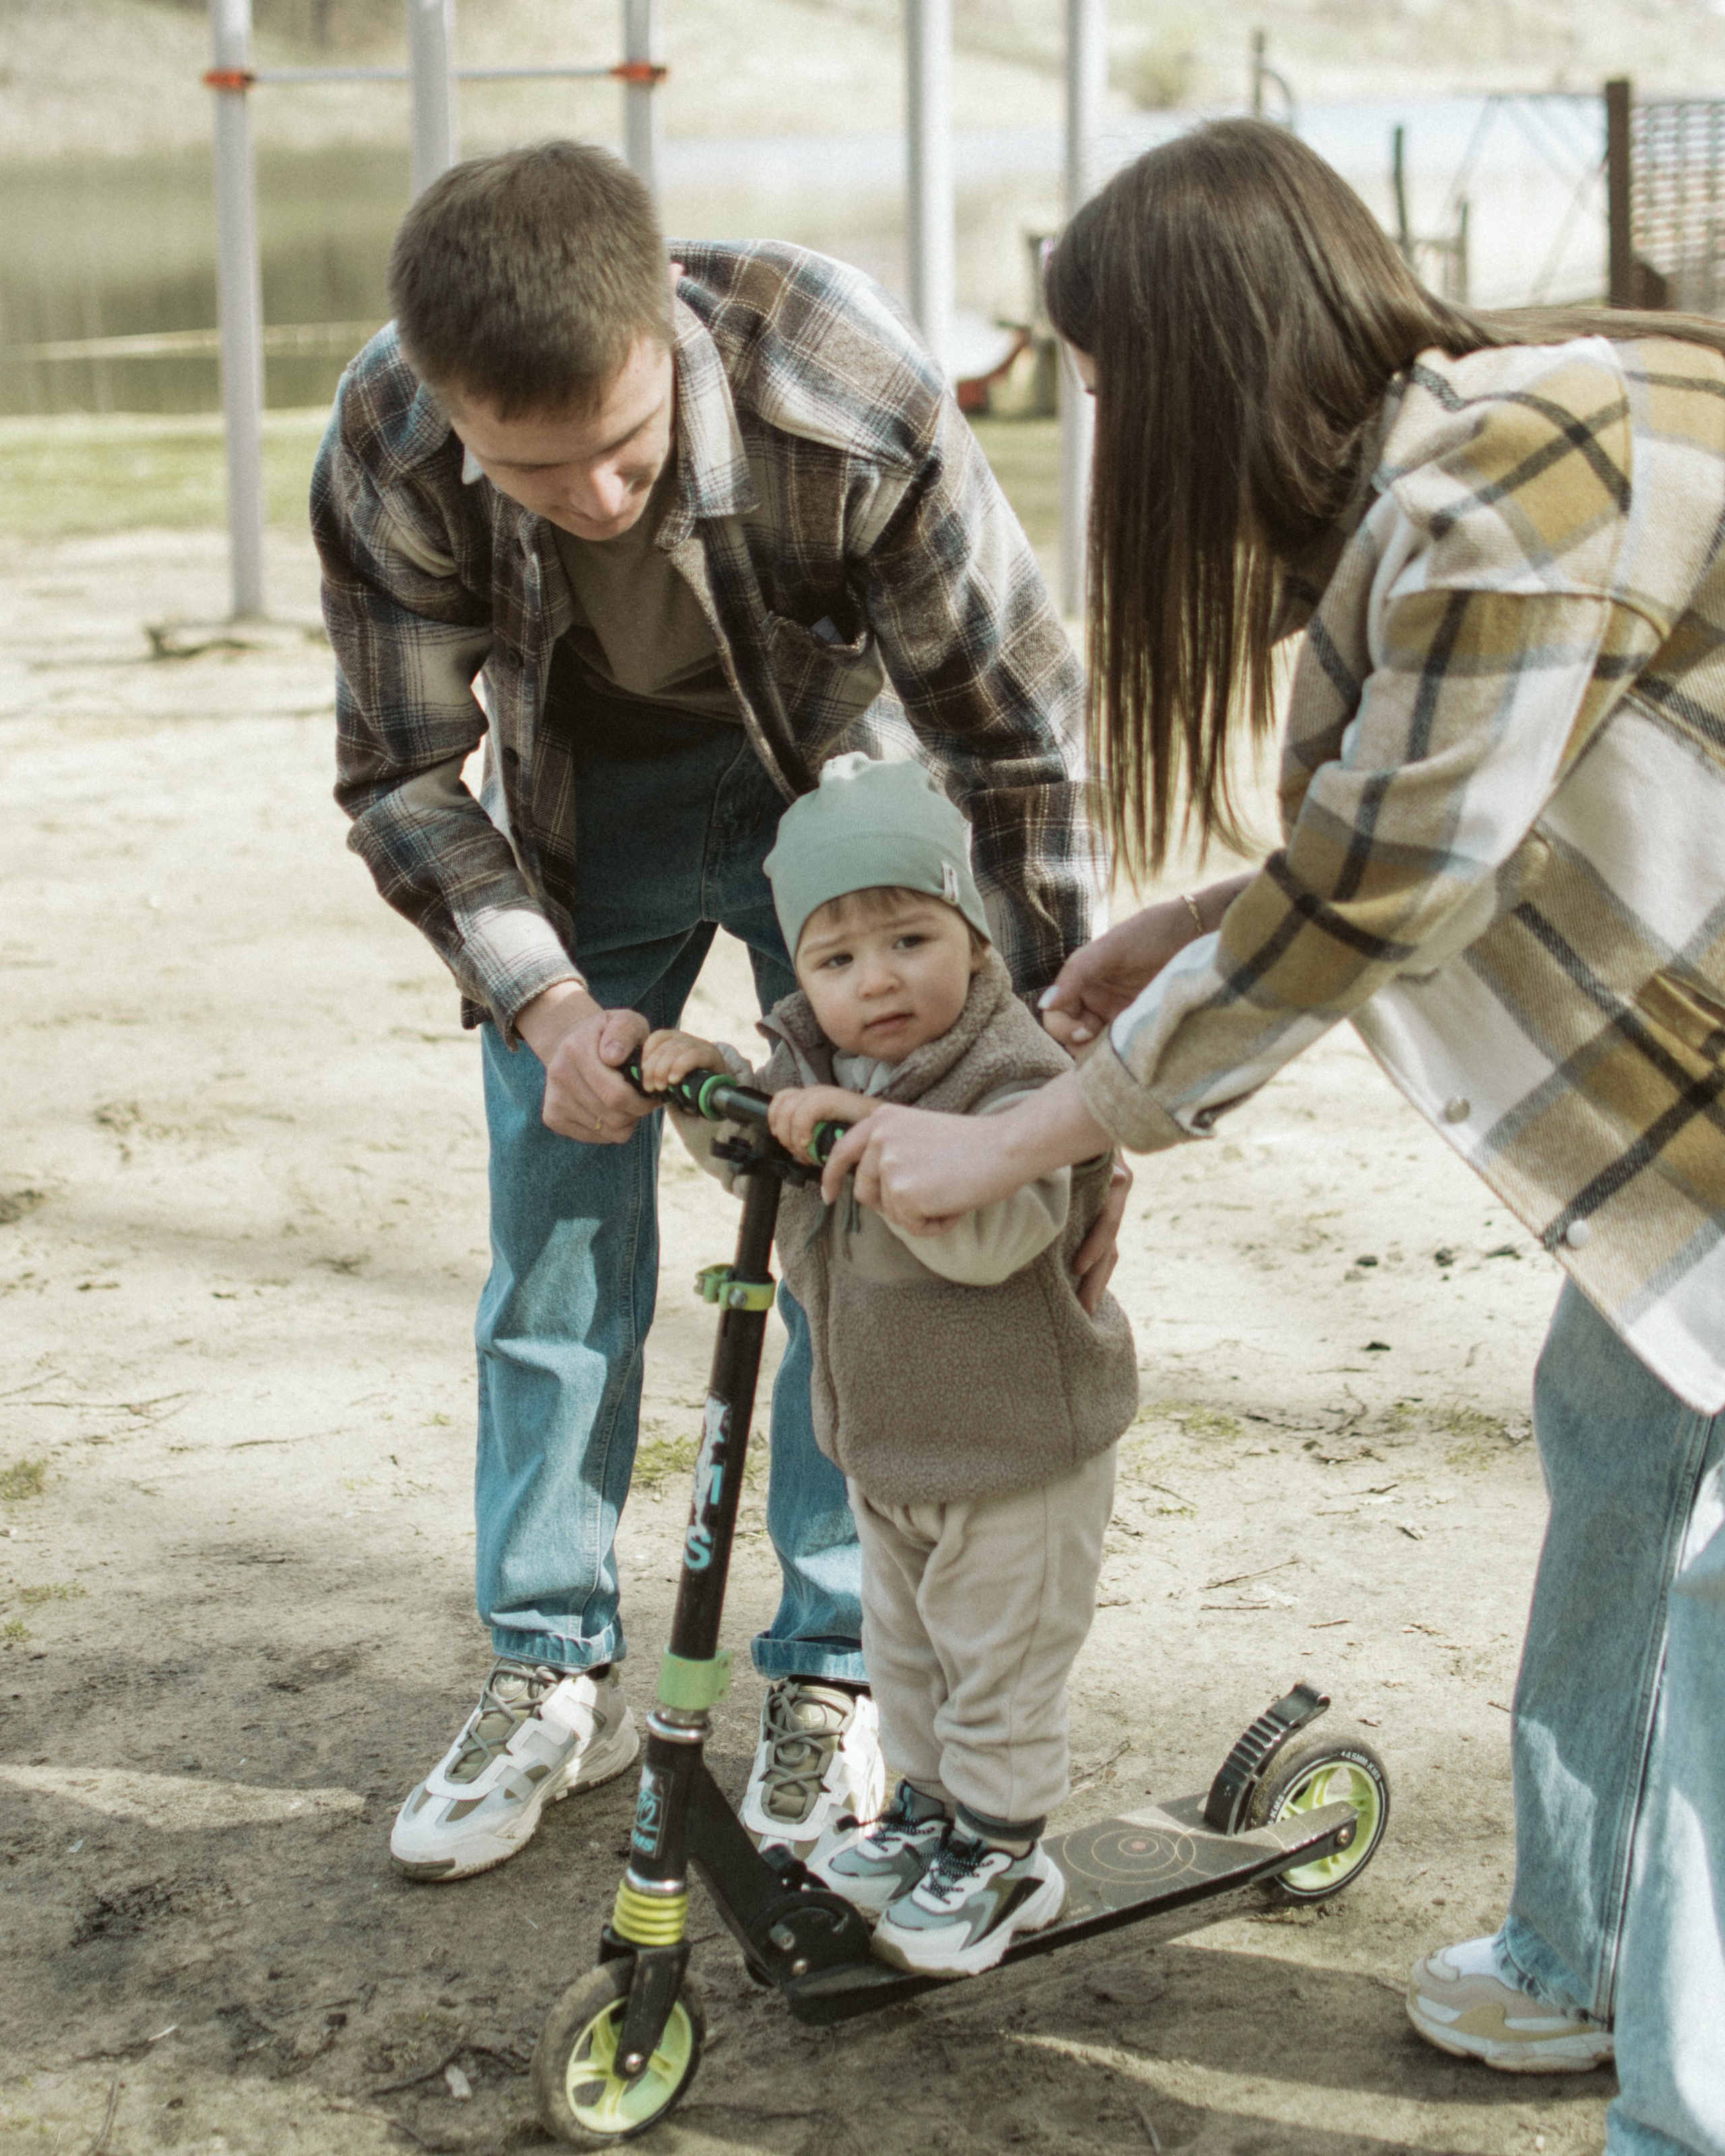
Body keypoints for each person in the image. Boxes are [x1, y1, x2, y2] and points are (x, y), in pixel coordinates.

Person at [826, 121, 1725, 2155]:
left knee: (1718, 1606)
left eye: (1108, 380)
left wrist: (1023, 1135)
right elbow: (1444, 809)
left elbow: (1393, 887)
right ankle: (1581, 1956)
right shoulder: (1467, 468)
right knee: (1619, 1436)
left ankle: (1682, 2111)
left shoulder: (1507, 490)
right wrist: (1195, 923)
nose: (1103, 427)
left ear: (1202, 362)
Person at [311, 140, 1117, 1884]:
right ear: (448, 408)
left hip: (838, 812)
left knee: (867, 1218)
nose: (595, 497)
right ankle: (551, 1666)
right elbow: (401, 773)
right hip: (576, 803)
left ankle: (834, 1670)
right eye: (535, 470)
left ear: (662, 328)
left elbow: (1019, 747)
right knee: (554, 1239)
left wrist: (1060, 1094)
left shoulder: (848, 388)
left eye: (624, 443)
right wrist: (544, 1009)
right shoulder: (383, 436)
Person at [639, 752, 1137, 1977]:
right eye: (837, 959)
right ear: (801, 973)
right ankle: (924, 1818)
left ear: (972, 935)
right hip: (890, 1443)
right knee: (907, 1661)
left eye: (912, 940)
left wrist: (863, 1133)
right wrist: (702, 1088)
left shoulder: (1014, 1075)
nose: (878, 981)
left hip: (1017, 1453)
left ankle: (1006, 1855)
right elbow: (759, 1159)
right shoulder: (814, 1063)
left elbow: (991, 1237)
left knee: (998, 1670)